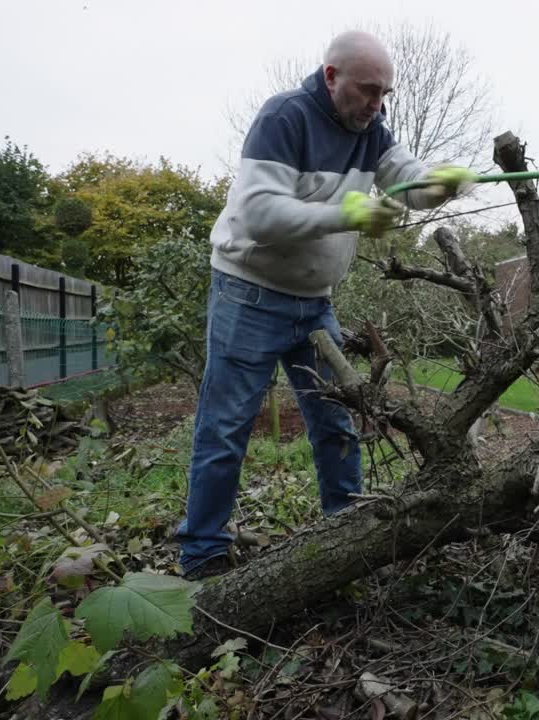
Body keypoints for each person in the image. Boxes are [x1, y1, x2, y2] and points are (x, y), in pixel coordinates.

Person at [176, 30, 474, 580]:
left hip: (314, 304)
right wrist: (352, 214)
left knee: (337, 422)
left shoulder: (372, 130)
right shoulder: (284, 118)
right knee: (225, 430)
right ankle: (202, 557)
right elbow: (259, 216)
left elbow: (408, 183)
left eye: (385, 93)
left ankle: (347, 537)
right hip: (249, 294)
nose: (377, 104)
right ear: (332, 77)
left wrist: (439, 186)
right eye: (367, 90)